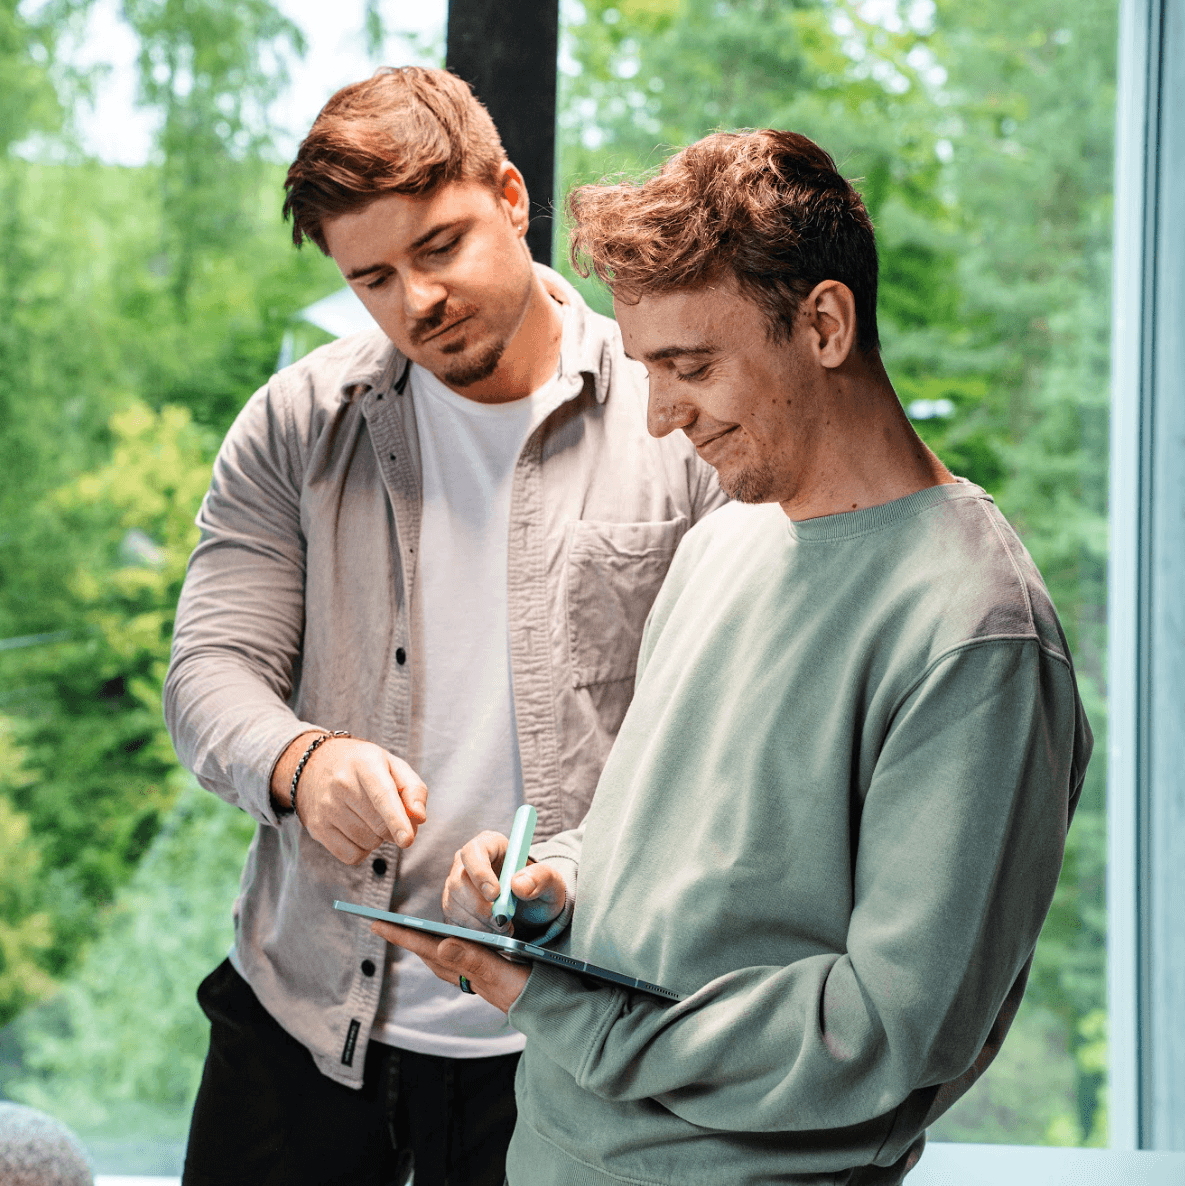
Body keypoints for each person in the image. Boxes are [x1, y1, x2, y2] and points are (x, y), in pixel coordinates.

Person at [378, 129, 1093, 1186]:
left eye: (693, 366)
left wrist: (563, 1007)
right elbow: (668, 847)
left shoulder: (977, 634)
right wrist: (553, 884)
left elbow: (886, 1030)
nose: (662, 418)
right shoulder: (723, 538)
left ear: (825, 323)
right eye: (647, 371)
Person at [164, 66, 725, 1186]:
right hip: (304, 1020)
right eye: (372, 277)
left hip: (568, 1044)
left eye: (441, 246)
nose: (417, 299)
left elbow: (728, 745)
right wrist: (300, 762)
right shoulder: (294, 424)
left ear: (512, 197)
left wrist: (573, 874)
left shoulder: (676, 421)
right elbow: (210, 669)